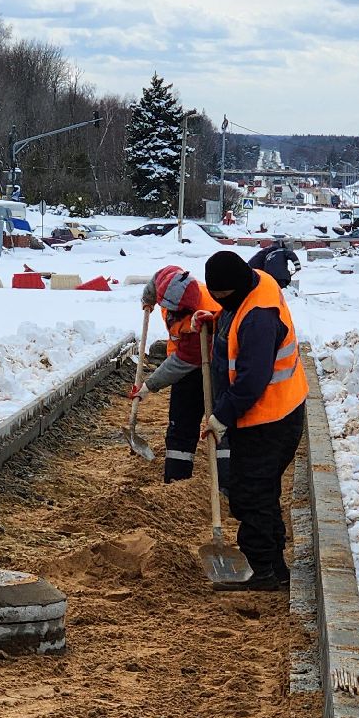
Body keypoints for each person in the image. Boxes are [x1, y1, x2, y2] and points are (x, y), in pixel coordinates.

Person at [200, 249, 307, 590]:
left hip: (270, 418)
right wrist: (216, 318)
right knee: (262, 492)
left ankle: (262, 572)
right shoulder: (258, 280)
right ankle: (274, 567)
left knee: (250, 494)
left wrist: (221, 417)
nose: (223, 304)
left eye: (223, 300)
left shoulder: (259, 319)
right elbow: (236, 313)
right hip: (279, 411)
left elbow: (251, 380)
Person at [132, 266, 222, 483]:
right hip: (184, 362)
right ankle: (176, 481)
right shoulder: (171, 279)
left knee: (219, 425)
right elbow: (156, 279)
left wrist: (149, 386)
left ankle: (226, 487)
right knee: (180, 427)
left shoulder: (205, 318)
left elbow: (183, 361)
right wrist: (148, 299)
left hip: (215, 365)